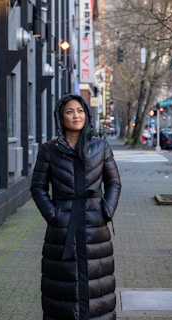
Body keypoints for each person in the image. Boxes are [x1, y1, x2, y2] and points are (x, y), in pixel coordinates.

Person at [30, 93, 121, 320]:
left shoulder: (100, 146)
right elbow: (38, 187)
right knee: (62, 287)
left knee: (96, 284)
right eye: (69, 111)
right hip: (62, 227)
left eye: (80, 111)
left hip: (95, 227)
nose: (76, 116)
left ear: (87, 115)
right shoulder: (49, 150)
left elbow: (114, 183)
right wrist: (53, 215)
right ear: (61, 117)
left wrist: (106, 211)